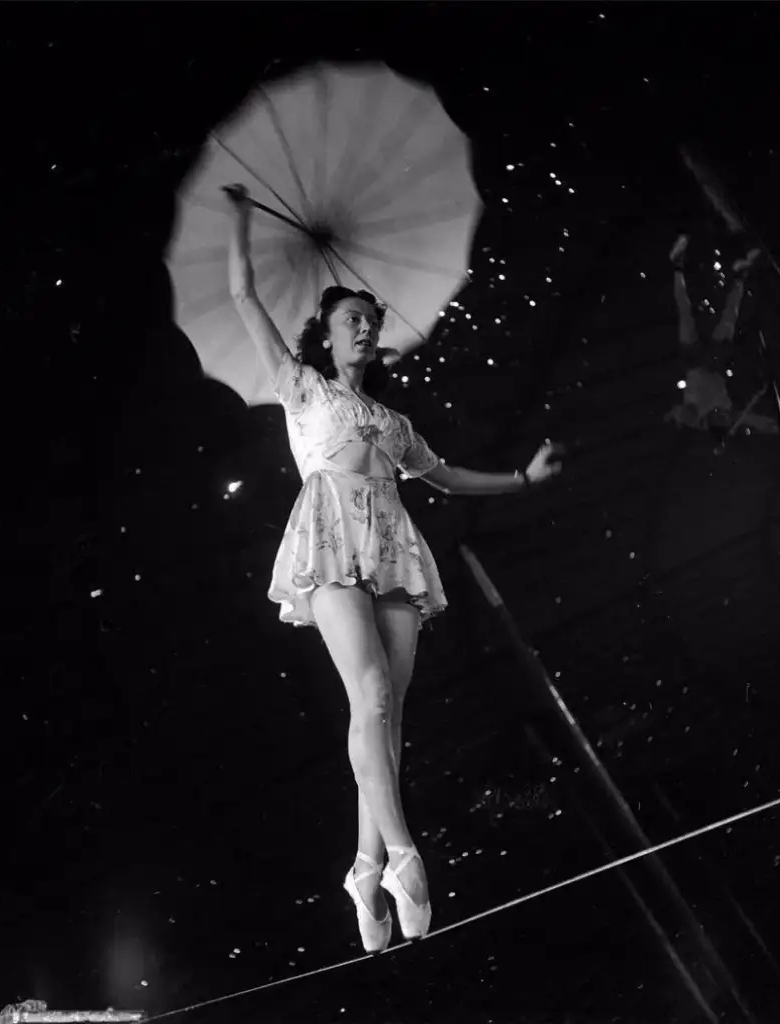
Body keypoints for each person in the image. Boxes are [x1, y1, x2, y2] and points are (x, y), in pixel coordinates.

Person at [223, 183, 564, 953]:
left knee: (389, 718)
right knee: (370, 694)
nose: (366, 329)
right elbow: (243, 293)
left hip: (393, 544)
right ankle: (406, 856)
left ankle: (364, 863)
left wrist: (521, 480)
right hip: (330, 533)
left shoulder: (396, 423)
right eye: (353, 320)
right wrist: (241, 216)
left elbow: (442, 477)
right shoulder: (300, 386)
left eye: (372, 324)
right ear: (326, 333)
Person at [664, 234, 762, 446]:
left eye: (720, 418)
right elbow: (756, 421)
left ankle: (677, 266)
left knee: (685, 312)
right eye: (725, 418)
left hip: (694, 361)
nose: (722, 414)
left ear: (712, 423)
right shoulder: (728, 412)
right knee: (729, 317)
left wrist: (675, 415)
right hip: (714, 361)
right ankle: (739, 277)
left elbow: (681, 413)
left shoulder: (696, 418)